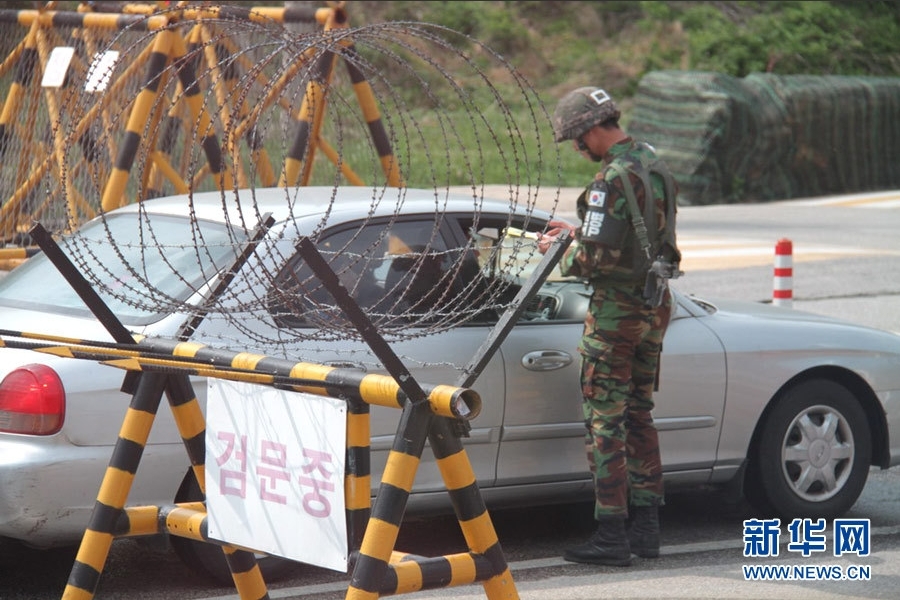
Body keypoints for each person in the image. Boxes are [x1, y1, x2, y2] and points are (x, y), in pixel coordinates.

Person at [537, 86, 682, 567]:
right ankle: (647, 530)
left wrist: (560, 251)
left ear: (590, 131)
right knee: (639, 413)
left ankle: (612, 534)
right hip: (654, 305)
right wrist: (580, 231)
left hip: (616, 313)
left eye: (576, 141)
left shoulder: (610, 179)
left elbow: (594, 261)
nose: (578, 150)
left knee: (605, 421)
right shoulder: (653, 164)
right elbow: (642, 234)